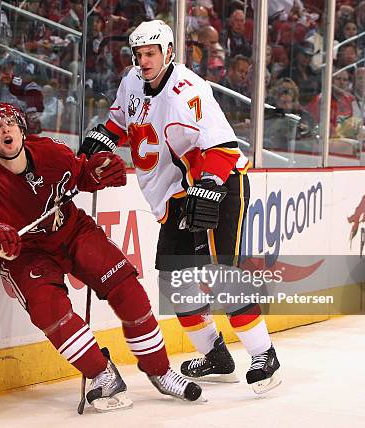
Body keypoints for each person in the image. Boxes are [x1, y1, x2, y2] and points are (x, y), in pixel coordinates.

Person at [0, 102, 202, 412]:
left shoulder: (51, 152)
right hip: (26, 252)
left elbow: (81, 174)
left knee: (128, 290)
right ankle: (101, 374)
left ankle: (160, 371)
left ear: (22, 130)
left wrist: (99, 171)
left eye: (11, 123)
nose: (6, 130)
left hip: (72, 231)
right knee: (49, 309)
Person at [78, 20, 282, 394]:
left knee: (222, 277)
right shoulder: (131, 81)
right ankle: (216, 357)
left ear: (169, 51)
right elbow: (121, 119)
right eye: (138, 54)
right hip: (175, 196)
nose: (143, 60)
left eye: (151, 53)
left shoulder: (190, 90)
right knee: (176, 282)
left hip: (219, 184)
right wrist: (103, 136)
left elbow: (223, 147)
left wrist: (207, 186)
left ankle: (264, 354)